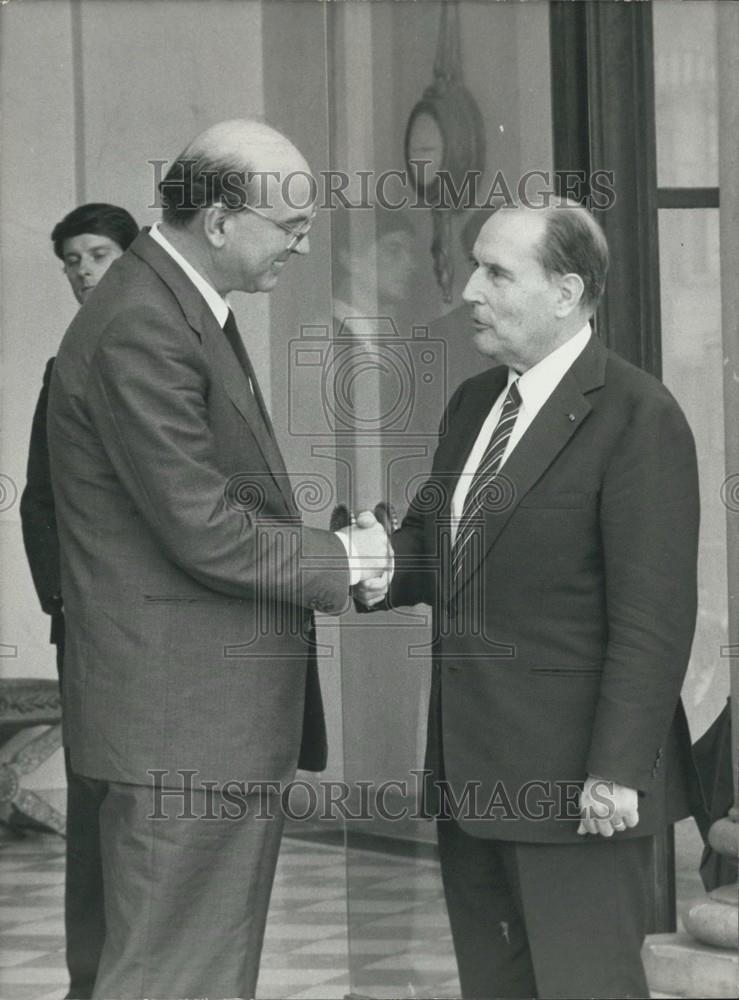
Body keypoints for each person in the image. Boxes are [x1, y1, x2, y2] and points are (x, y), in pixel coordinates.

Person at [46, 119, 388, 1000]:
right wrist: (348, 557)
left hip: (189, 723)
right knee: (174, 979)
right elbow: (203, 529)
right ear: (222, 221)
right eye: (292, 226)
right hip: (184, 729)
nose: (305, 244)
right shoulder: (144, 322)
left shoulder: (168, 303)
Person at [357, 199, 704, 998]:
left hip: (578, 788)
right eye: (474, 267)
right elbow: (430, 550)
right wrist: (361, 562)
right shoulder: (475, 402)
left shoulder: (636, 414)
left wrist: (613, 772)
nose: (470, 290)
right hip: (471, 778)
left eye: (495, 273)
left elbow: (652, 620)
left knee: (585, 987)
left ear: (565, 291)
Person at [20, 202, 139, 1000]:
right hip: (94, 630)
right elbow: (41, 503)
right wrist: (71, 605)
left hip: (157, 636)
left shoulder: (164, 349)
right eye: (71, 260)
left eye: (97, 254)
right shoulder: (66, 367)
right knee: (97, 815)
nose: (82, 271)